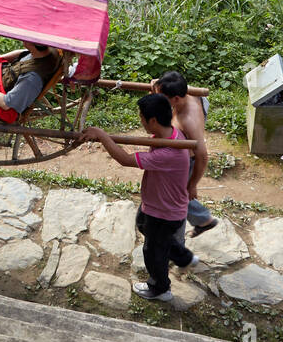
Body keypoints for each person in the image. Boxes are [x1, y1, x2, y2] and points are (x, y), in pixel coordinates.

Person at [84, 94, 198, 302]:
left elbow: (125, 159)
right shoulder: (170, 134)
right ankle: (184, 257)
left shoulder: (169, 152)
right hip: (155, 204)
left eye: (141, 117)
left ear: (152, 120)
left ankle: (160, 288)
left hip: (165, 213)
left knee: (152, 252)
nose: (140, 120)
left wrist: (101, 134)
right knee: (143, 226)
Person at [153, 71, 218, 238]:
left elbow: (202, 156)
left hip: (185, 162)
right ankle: (203, 220)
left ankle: (177, 245)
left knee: (175, 201)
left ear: (175, 99)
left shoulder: (188, 120)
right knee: (177, 194)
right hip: (179, 154)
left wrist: (193, 184)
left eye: (162, 97)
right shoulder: (186, 93)